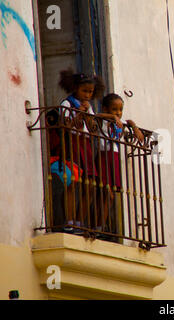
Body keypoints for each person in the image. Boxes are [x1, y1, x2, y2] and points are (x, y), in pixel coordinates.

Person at [50, 69, 105, 232]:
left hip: (86, 145)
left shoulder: (89, 107)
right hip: (72, 144)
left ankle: (80, 221)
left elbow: (94, 129)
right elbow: (65, 126)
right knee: (72, 182)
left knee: (89, 185)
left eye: (91, 92)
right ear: (75, 88)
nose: (88, 95)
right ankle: (70, 220)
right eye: (85, 91)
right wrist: (79, 114)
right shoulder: (66, 104)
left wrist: (87, 114)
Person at [96, 93, 144, 232]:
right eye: (114, 109)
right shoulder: (103, 121)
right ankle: (98, 225)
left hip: (114, 158)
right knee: (106, 193)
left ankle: (101, 225)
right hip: (104, 157)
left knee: (110, 196)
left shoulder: (119, 125)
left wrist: (134, 127)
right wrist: (112, 117)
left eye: (120, 110)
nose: (118, 113)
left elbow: (128, 122)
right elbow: (97, 116)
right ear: (105, 108)